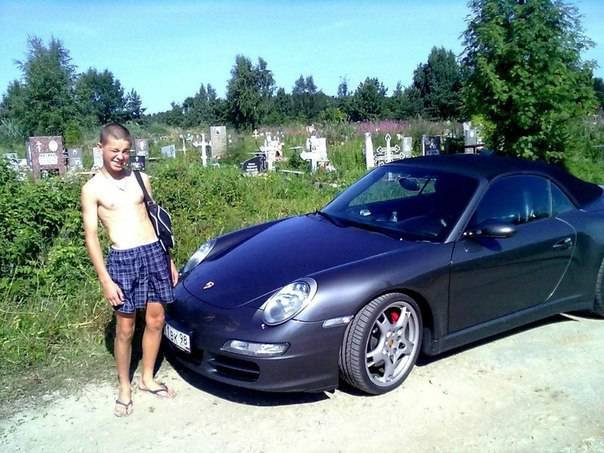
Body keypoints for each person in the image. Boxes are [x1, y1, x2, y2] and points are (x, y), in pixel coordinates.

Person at [81, 123, 179, 417]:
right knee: (125, 328)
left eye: (125, 151)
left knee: (156, 319)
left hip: (154, 253)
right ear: (100, 148)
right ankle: (124, 386)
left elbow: (155, 220)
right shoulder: (92, 189)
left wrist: (168, 258)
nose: (120, 156)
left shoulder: (141, 179)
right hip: (122, 259)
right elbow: (91, 236)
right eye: (114, 150)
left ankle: (147, 378)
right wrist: (105, 280)